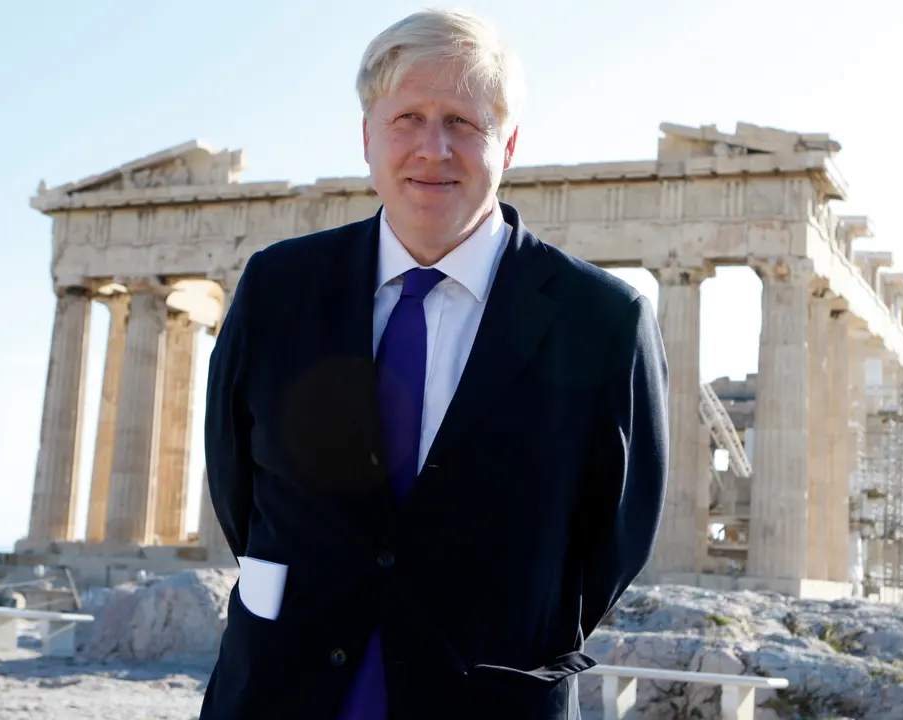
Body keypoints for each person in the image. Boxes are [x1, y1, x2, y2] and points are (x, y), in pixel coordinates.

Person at [200, 9, 669, 720]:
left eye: (462, 121)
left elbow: (614, 546)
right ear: (367, 136)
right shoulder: (276, 290)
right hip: (281, 690)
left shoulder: (603, 322)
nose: (432, 147)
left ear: (508, 143)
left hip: (491, 699)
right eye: (408, 118)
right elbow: (238, 488)